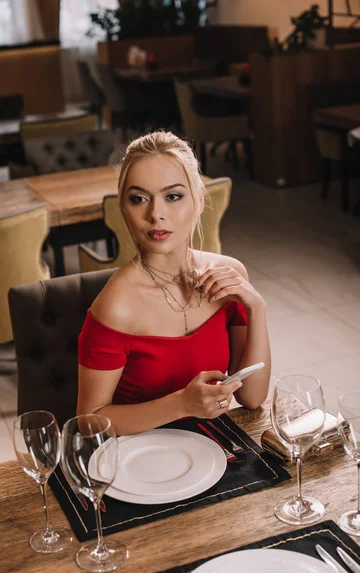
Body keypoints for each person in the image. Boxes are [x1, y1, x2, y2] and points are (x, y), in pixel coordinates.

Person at [77, 131, 271, 435]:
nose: (156, 214)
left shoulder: (230, 277)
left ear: (199, 199)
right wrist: (181, 404)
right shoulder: (116, 305)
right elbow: (90, 423)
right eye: (139, 199)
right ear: (123, 209)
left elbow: (252, 397)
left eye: (173, 196)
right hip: (138, 460)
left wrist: (257, 308)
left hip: (214, 451)